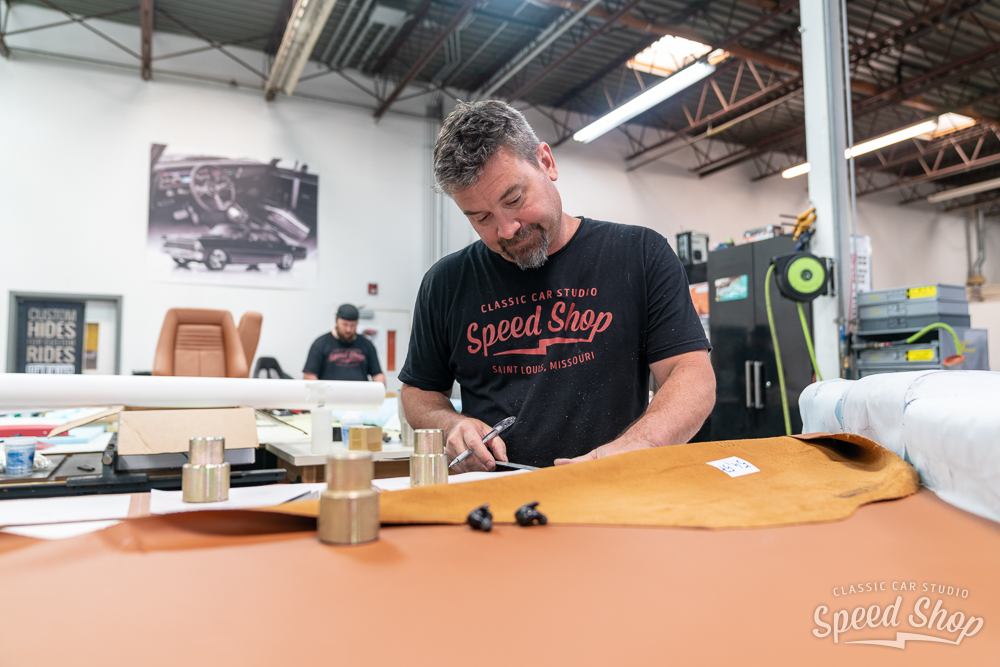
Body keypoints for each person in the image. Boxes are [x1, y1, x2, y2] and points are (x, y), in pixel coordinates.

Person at [399, 101, 715, 472]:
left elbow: (690, 373)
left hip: (615, 484)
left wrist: (640, 443)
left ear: (546, 163)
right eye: (481, 218)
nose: (506, 230)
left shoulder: (638, 254)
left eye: (514, 199)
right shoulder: (446, 283)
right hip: (498, 491)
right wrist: (450, 424)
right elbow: (419, 392)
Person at [303, 304, 385, 385]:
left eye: (352, 325)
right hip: (329, 393)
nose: (348, 329)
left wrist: (380, 389)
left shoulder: (367, 345)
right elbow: (309, 376)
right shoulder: (321, 343)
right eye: (344, 324)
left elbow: (378, 375)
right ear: (336, 320)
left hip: (359, 393)